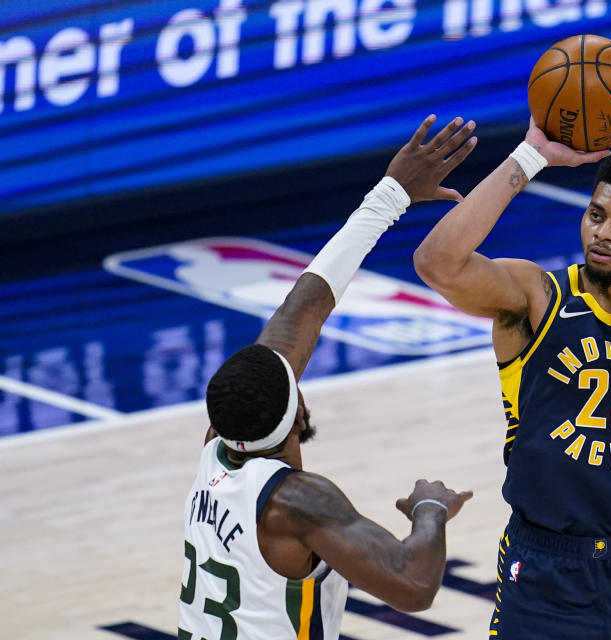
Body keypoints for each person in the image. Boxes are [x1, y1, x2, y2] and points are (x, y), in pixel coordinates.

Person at [413, 33, 611, 639]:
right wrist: (530, 155)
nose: (602, 233)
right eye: (595, 215)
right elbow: (438, 263)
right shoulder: (535, 298)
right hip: (544, 571)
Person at [178, 115, 477, 640]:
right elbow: (415, 585)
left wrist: (392, 194)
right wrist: (430, 510)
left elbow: (303, 307)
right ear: (293, 409)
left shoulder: (219, 446)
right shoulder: (298, 503)